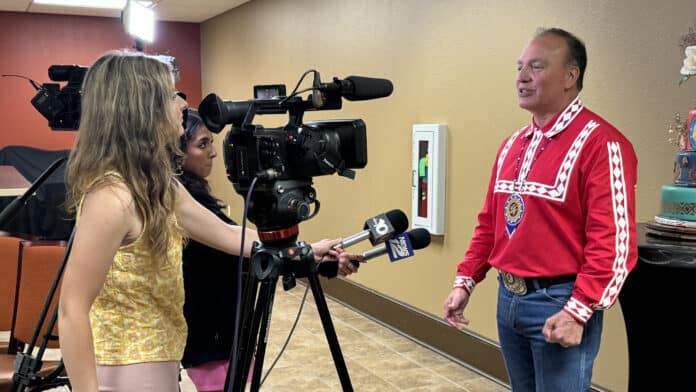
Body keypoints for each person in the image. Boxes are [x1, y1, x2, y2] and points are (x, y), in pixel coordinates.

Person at [57, 50, 353, 392]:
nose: (183, 104)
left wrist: (306, 250)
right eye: (171, 96)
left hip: (161, 355)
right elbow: (72, 308)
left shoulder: (156, 184)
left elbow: (225, 233)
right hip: (126, 366)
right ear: (142, 108)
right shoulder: (112, 196)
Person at [443, 28, 638, 391]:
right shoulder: (511, 145)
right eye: (519, 67)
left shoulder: (603, 144)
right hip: (509, 299)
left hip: (560, 302)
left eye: (536, 67)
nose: (522, 77)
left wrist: (578, 310)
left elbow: (613, 244)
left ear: (570, 76)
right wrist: (465, 281)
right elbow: (491, 225)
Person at [178, 108, 360, 391]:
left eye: (212, 142)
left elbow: (250, 252)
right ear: (176, 152)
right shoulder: (183, 201)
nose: (213, 153)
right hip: (211, 335)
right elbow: (236, 245)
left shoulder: (193, 193)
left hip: (221, 329)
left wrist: (318, 259)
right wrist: (312, 253)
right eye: (202, 144)